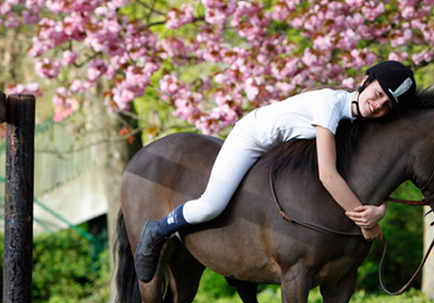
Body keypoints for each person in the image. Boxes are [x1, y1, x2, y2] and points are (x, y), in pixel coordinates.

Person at [133, 60, 417, 282]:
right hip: (253, 139)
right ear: (366, 81)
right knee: (211, 206)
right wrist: (366, 223)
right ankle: (158, 230)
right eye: (379, 93)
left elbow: (369, 176)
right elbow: (327, 175)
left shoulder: (357, 122)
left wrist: (379, 210)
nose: (379, 104)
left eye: (387, 105)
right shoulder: (329, 104)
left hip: (281, 154)